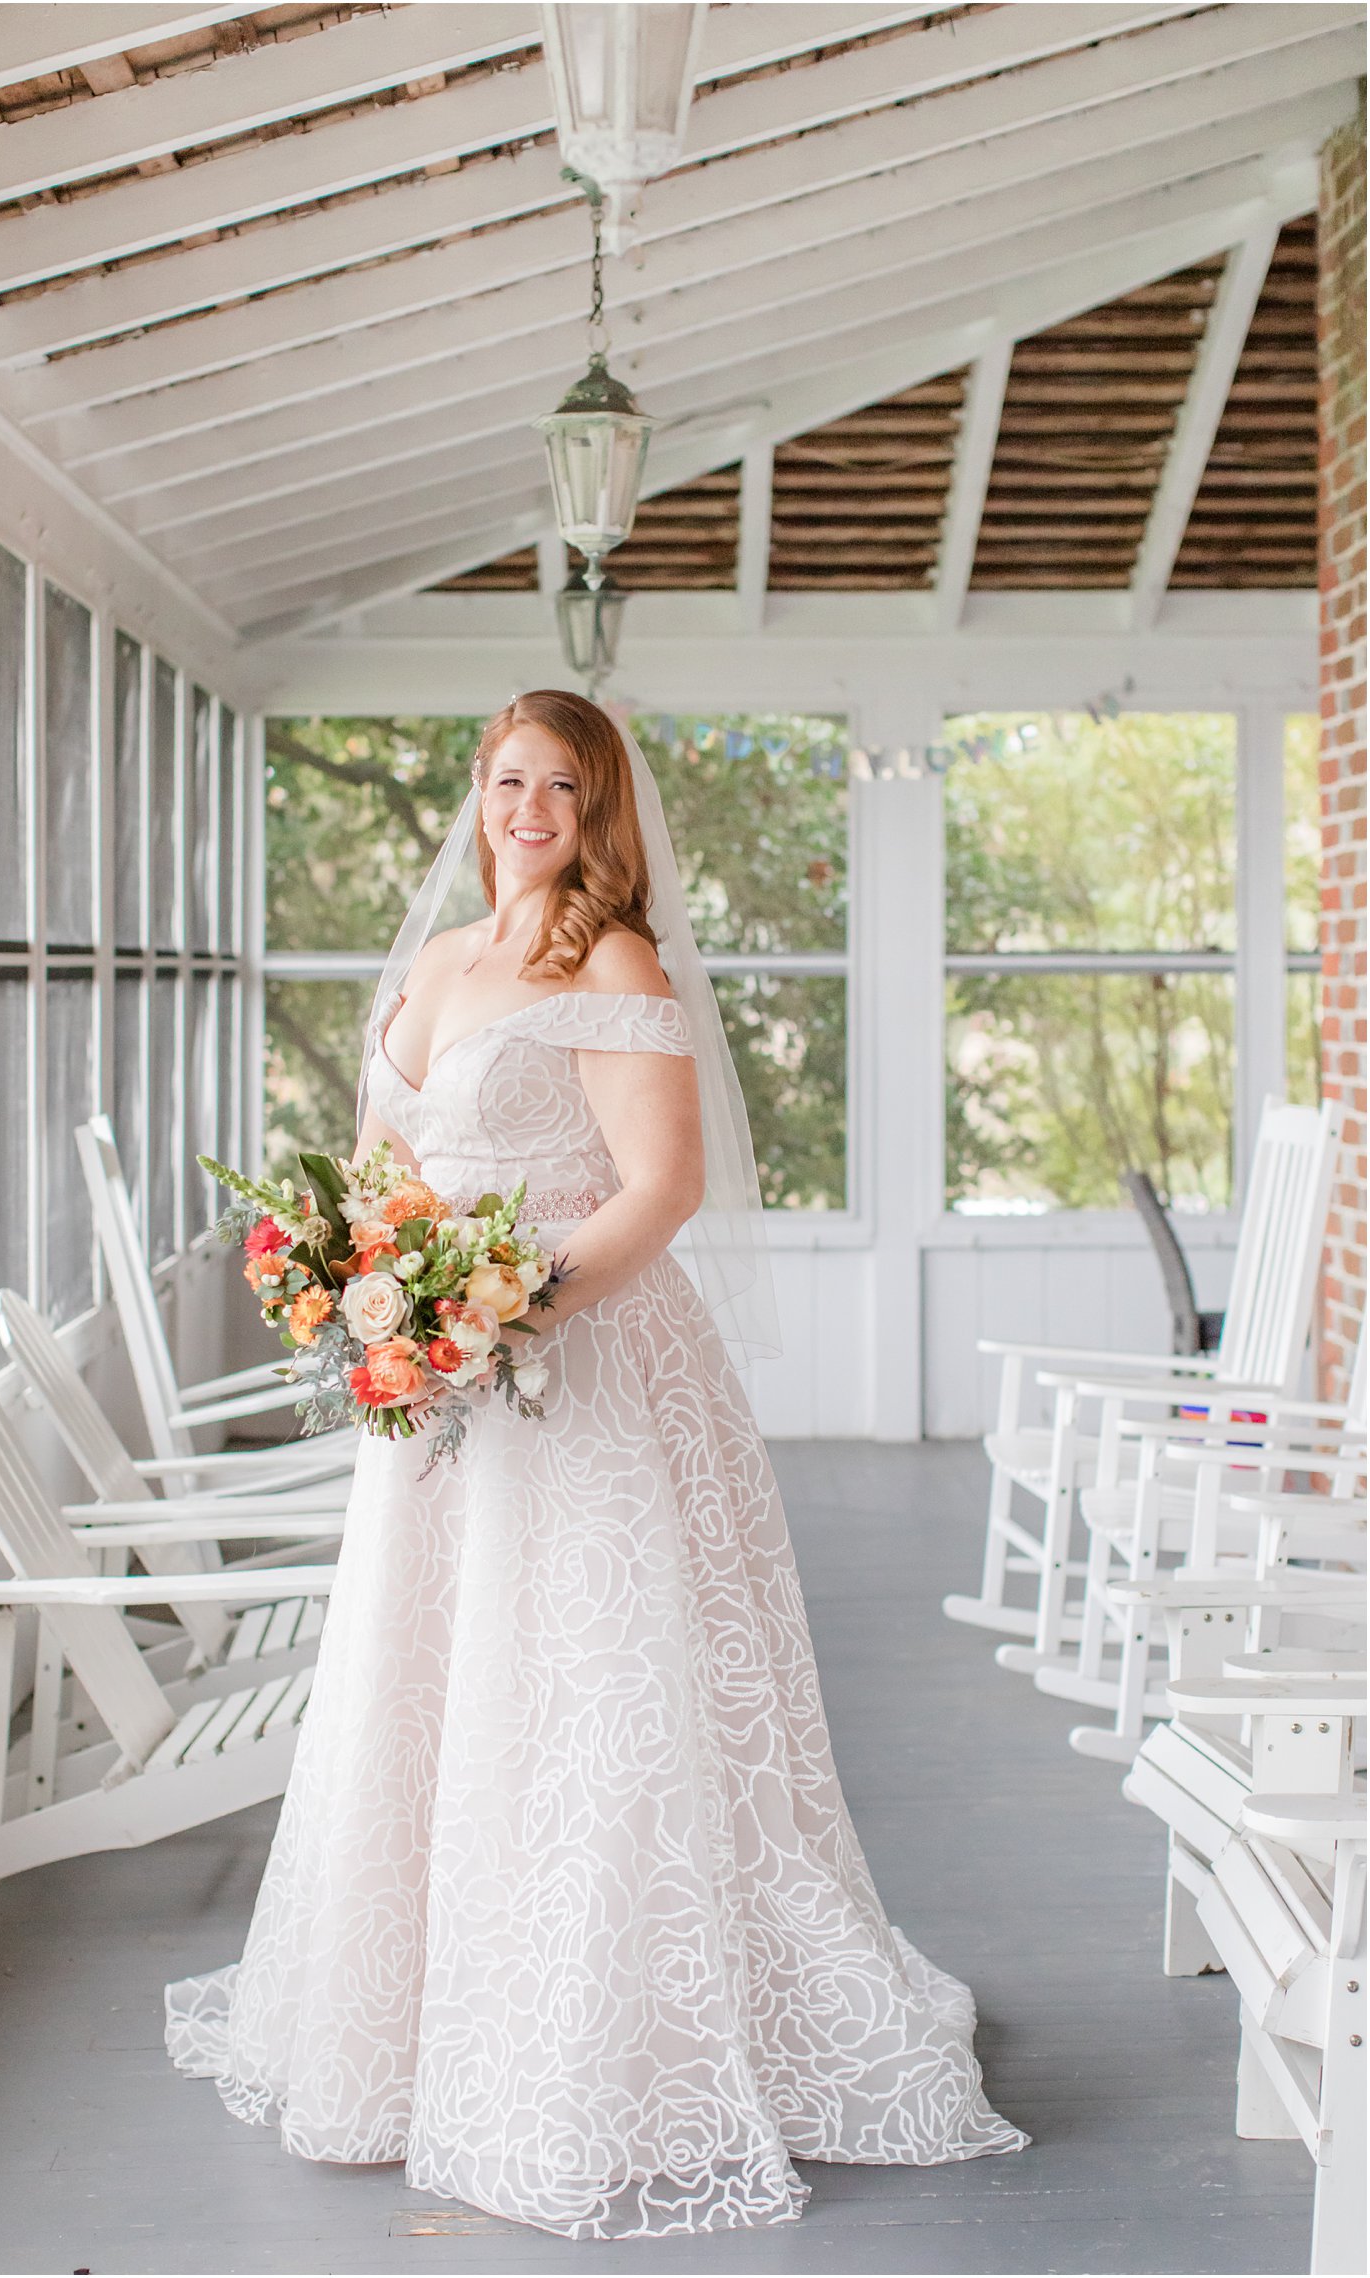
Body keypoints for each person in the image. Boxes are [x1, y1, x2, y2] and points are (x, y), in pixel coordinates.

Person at [166, 690, 1027, 2239]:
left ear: (602, 807)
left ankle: (596, 2049)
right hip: (432, 1395)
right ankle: (415, 2028)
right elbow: (383, 1167)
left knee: (576, 1697)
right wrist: (374, 1285)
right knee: (430, 1694)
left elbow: (663, 1185)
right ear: (477, 793)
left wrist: (505, 1310)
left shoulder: (611, 962)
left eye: (564, 783)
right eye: (509, 778)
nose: (531, 806)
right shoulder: (434, 966)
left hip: (582, 1371)